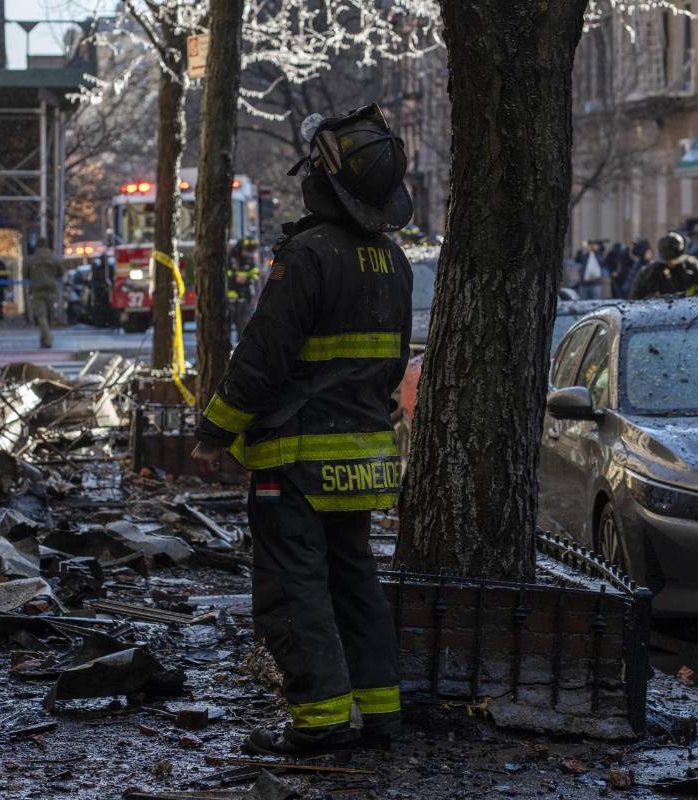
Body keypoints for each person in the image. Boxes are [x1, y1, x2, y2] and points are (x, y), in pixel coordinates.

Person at [191, 103, 412, 756]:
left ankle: (317, 723)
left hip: (296, 466)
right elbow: (391, 364)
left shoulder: (308, 255)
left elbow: (263, 357)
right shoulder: (394, 264)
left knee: (296, 595)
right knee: (356, 586)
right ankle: (379, 713)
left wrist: (214, 432)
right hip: (361, 466)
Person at [629, 231, 698, 300]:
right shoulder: (653, 270)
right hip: (660, 311)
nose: (671, 264)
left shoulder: (691, 265)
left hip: (689, 308)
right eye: (668, 261)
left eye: (674, 261)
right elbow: (635, 294)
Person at [24, 238, 66, 348]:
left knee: (41, 315)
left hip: (38, 290)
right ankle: (45, 338)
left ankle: (46, 338)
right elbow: (61, 271)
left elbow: (25, 273)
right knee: (49, 315)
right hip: (51, 289)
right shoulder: (53, 258)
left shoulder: (31, 259)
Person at [227, 239, 261, 339]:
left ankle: (240, 344)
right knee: (227, 324)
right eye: (247, 250)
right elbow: (224, 274)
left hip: (245, 296)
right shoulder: (230, 258)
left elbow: (255, 274)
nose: (248, 253)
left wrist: (248, 279)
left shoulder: (250, 259)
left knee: (244, 323)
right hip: (230, 297)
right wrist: (234, 279)